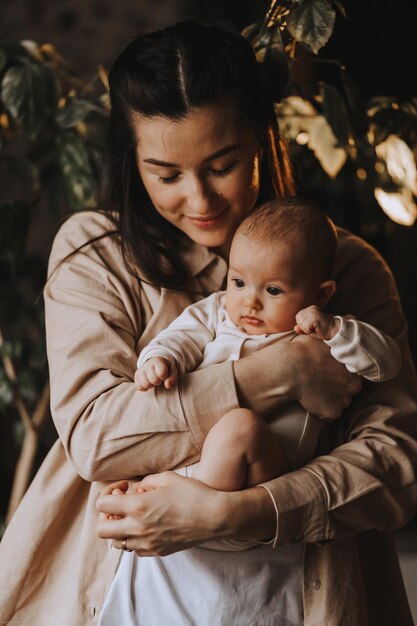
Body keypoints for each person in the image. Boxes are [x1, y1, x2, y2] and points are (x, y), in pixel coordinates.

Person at [0, 20, 416, 626]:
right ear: (131, 162)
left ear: (262, 140)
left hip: (299, 598)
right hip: (125, 594)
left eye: (222, 164)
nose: (199, 201)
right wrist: (281, 368)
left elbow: (397, 461)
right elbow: (97, 436)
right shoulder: (96, 253)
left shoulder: (347, 266)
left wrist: (242, 515)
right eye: (166, 175)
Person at [132, 199, 402, 554]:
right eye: (239, 281)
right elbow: (181, 335)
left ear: (320, 294)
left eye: (273, 290)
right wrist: (160, 358)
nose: (250, 302)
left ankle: (192, 506)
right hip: (206, 465)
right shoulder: (217, 311)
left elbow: (386, 364)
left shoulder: (319, 333)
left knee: (240, 427)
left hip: (268, 475)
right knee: (227, 430)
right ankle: (185, 494)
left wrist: (336, 330)